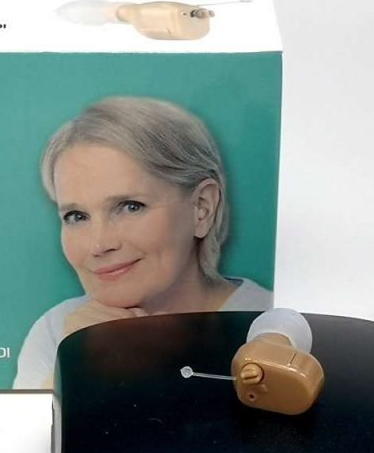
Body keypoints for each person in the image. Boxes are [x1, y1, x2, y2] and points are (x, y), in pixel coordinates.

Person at [13, 96, 272, 388]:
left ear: (202, 207)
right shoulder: (56, 330)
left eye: (130, 206)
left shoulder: (276, 325)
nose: (99, 244)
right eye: (76, 216)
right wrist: (77, 361)